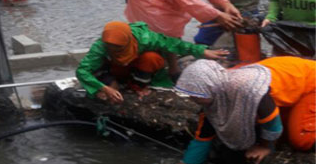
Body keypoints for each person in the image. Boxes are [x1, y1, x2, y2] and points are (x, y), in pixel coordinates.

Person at [151, 56, 315, 164]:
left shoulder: (249, 88)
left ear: (210, 88)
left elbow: (272, 122)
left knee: (300, 138)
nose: (191, 99)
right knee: (272, 125)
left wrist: (266, 146)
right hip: (287, 86)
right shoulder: (216, 96)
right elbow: (202, 140)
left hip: (310, 82)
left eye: (196, 95)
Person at [76, 21, 229, 103]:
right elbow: (82, 70)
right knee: (104, 85)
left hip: (138, 67)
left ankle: (137, 86)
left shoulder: (144, 37)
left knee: (151, 58)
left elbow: (172, 44)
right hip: (114, 70)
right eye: (111, 48)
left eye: (119, 48)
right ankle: (114, 84)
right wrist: (103, 88)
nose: (115, 51)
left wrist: (202, 51)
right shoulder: (100, 47)